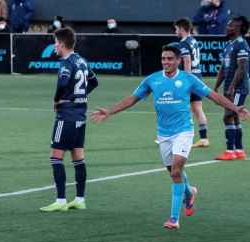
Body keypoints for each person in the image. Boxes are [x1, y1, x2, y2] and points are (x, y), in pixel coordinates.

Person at [91, 44, 249, 229]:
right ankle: (189, 193)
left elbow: (213, 96)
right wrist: (110, 111)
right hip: (163, 134)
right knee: (174, 172)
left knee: (175, 172)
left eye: (169, 59)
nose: (166, 62)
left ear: (178, 60)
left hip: (183, 132)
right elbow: (132, 99)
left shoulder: (188, 79)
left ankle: (174, 219)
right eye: (163, 58)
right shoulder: (153, 80)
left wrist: (235, 108)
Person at [39, 27, 98, 213]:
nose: (54, 46)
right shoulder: (82, 60)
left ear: (62, 44)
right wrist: (80, 96)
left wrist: (57, 100)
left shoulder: (66, 63)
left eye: (55, 42)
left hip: (66, 115)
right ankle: (80, 199)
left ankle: (61, 200)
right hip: (80, 115)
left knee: (56, 157)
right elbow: (94, 81)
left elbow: (63, 84)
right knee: (78, 156)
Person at [213, 16, 250, 160]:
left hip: (238, 88)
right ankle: (239, 151)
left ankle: (229, 151)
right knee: (234, 117)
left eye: (231, 26)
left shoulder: (241, 44)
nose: (227, 27)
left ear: (238, 27)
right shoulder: (229, 44)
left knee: (228, 116)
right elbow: (223, 68)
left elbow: (242, 68)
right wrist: (216, 86)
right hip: (229, 87)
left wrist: (233, 86)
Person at [174, 18, 209, 148]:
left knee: (180, 106)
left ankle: (177, 136)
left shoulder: (183, 43)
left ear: (182, 29)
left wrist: (186, 79)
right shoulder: (193, 40)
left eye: (176, 29)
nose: (175, 32)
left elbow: (187, 61)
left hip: (191, 76)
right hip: (198, 75)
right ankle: (204, 138)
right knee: (197, 108)